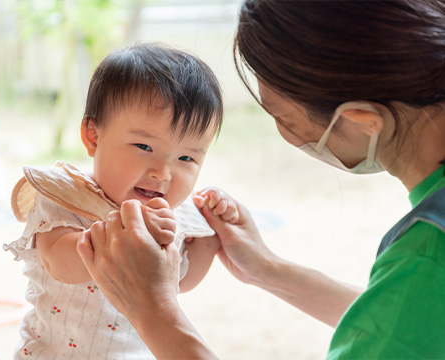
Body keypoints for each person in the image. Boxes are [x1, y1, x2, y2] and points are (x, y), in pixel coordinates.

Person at [76, 1, 445, 359]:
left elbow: (411, 306)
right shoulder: (424, 265)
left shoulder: (428, 256)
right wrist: (267, 268)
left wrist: (152, 309)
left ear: (362, 119)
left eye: (281, 116)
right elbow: (408, 322)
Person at [4, 43, 232, 359]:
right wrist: (128, 230)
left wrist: (211, 235)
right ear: (93, 137)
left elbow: (181, 281)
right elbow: (60, 263)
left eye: (185, 157)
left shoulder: (173, 215)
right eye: (143, 146)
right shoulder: (65, 196)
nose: (163, 173)